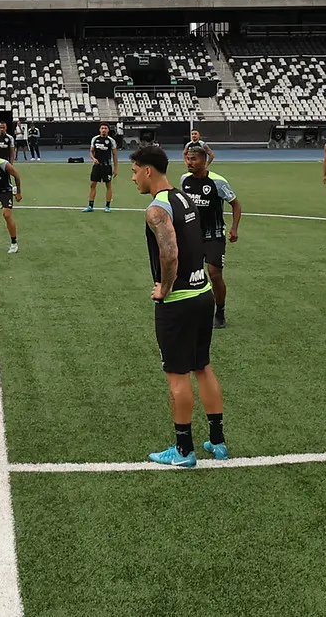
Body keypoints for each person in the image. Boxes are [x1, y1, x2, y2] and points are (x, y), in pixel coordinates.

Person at [132, 143, 228, 467]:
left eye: (134, 172)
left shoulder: (157, 209)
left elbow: (170, 252)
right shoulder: (184, 196)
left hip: (179, 301)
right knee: (203, 366)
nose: (132, 179)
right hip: (203, 294)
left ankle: (184, 449)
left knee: (177, 375)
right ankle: (217, 441)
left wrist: (165, 288)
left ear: (148, 170)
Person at [180, 145, 240, 328]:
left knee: (214, 275)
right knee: (192, 275)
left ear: (204, 161)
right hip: (192, 236)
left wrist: (234, 229)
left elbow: (236, 205)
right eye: (188, 159)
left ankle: (220, 312)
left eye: (194, 159)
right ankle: (195, 311)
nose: (189, 163)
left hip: (214, 235)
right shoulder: (185, 180)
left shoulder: (217, 182)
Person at [84, 122, 119, 211]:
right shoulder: (95, 139)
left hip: (107, 167)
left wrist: (115, 169)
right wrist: (93, 158)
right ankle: (90, 206)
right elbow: (91, 151)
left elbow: (115, 155)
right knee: (92, 185)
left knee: (108, 185)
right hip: (97, 166)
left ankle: (107, 206)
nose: (104, 130)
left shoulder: (111, 141)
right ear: (100, 130)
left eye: (105, 128)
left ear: (108, 130)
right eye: (102, 128)